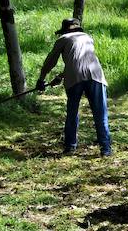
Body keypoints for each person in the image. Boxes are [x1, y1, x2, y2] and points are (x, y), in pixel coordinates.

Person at [36, 18, 112, 156]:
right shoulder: (87, 37)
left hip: (74, 78)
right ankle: (105, 149)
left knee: (72, 112)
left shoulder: (63, 39)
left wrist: (41, 79)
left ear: (64, 30)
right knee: (100, 114)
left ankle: (70, 146)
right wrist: (60, 77)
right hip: (96, 75)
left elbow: (51, 61)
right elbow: (81, 61)